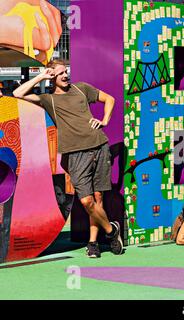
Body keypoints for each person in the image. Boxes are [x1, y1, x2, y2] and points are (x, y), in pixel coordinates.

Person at [13, 59, 124, 257]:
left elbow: (110, 99)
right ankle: (111, 230)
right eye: (60, 73)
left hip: (99, 145)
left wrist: (104, 120)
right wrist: (40, 76)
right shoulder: (48, 99)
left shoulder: (82, 89)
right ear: (52, 76)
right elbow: (17, 93)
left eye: (66, 72)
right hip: (75, 153)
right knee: (87, 201)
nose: (65, 76)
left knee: (98, 197)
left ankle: (93, 243)